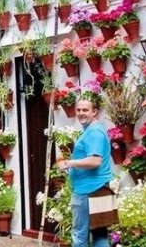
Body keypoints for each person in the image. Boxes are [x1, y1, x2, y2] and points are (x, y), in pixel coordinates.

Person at [56, 98, 113, 247]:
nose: (81, 113)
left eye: (85, 110)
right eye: (79, 110)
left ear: (94, 112)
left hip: (87, 190)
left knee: (79, 236)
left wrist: (68, 163)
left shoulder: (94, 132)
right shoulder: (93, 129)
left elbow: (95, 161)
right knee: (100, 234)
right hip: (99, 187)